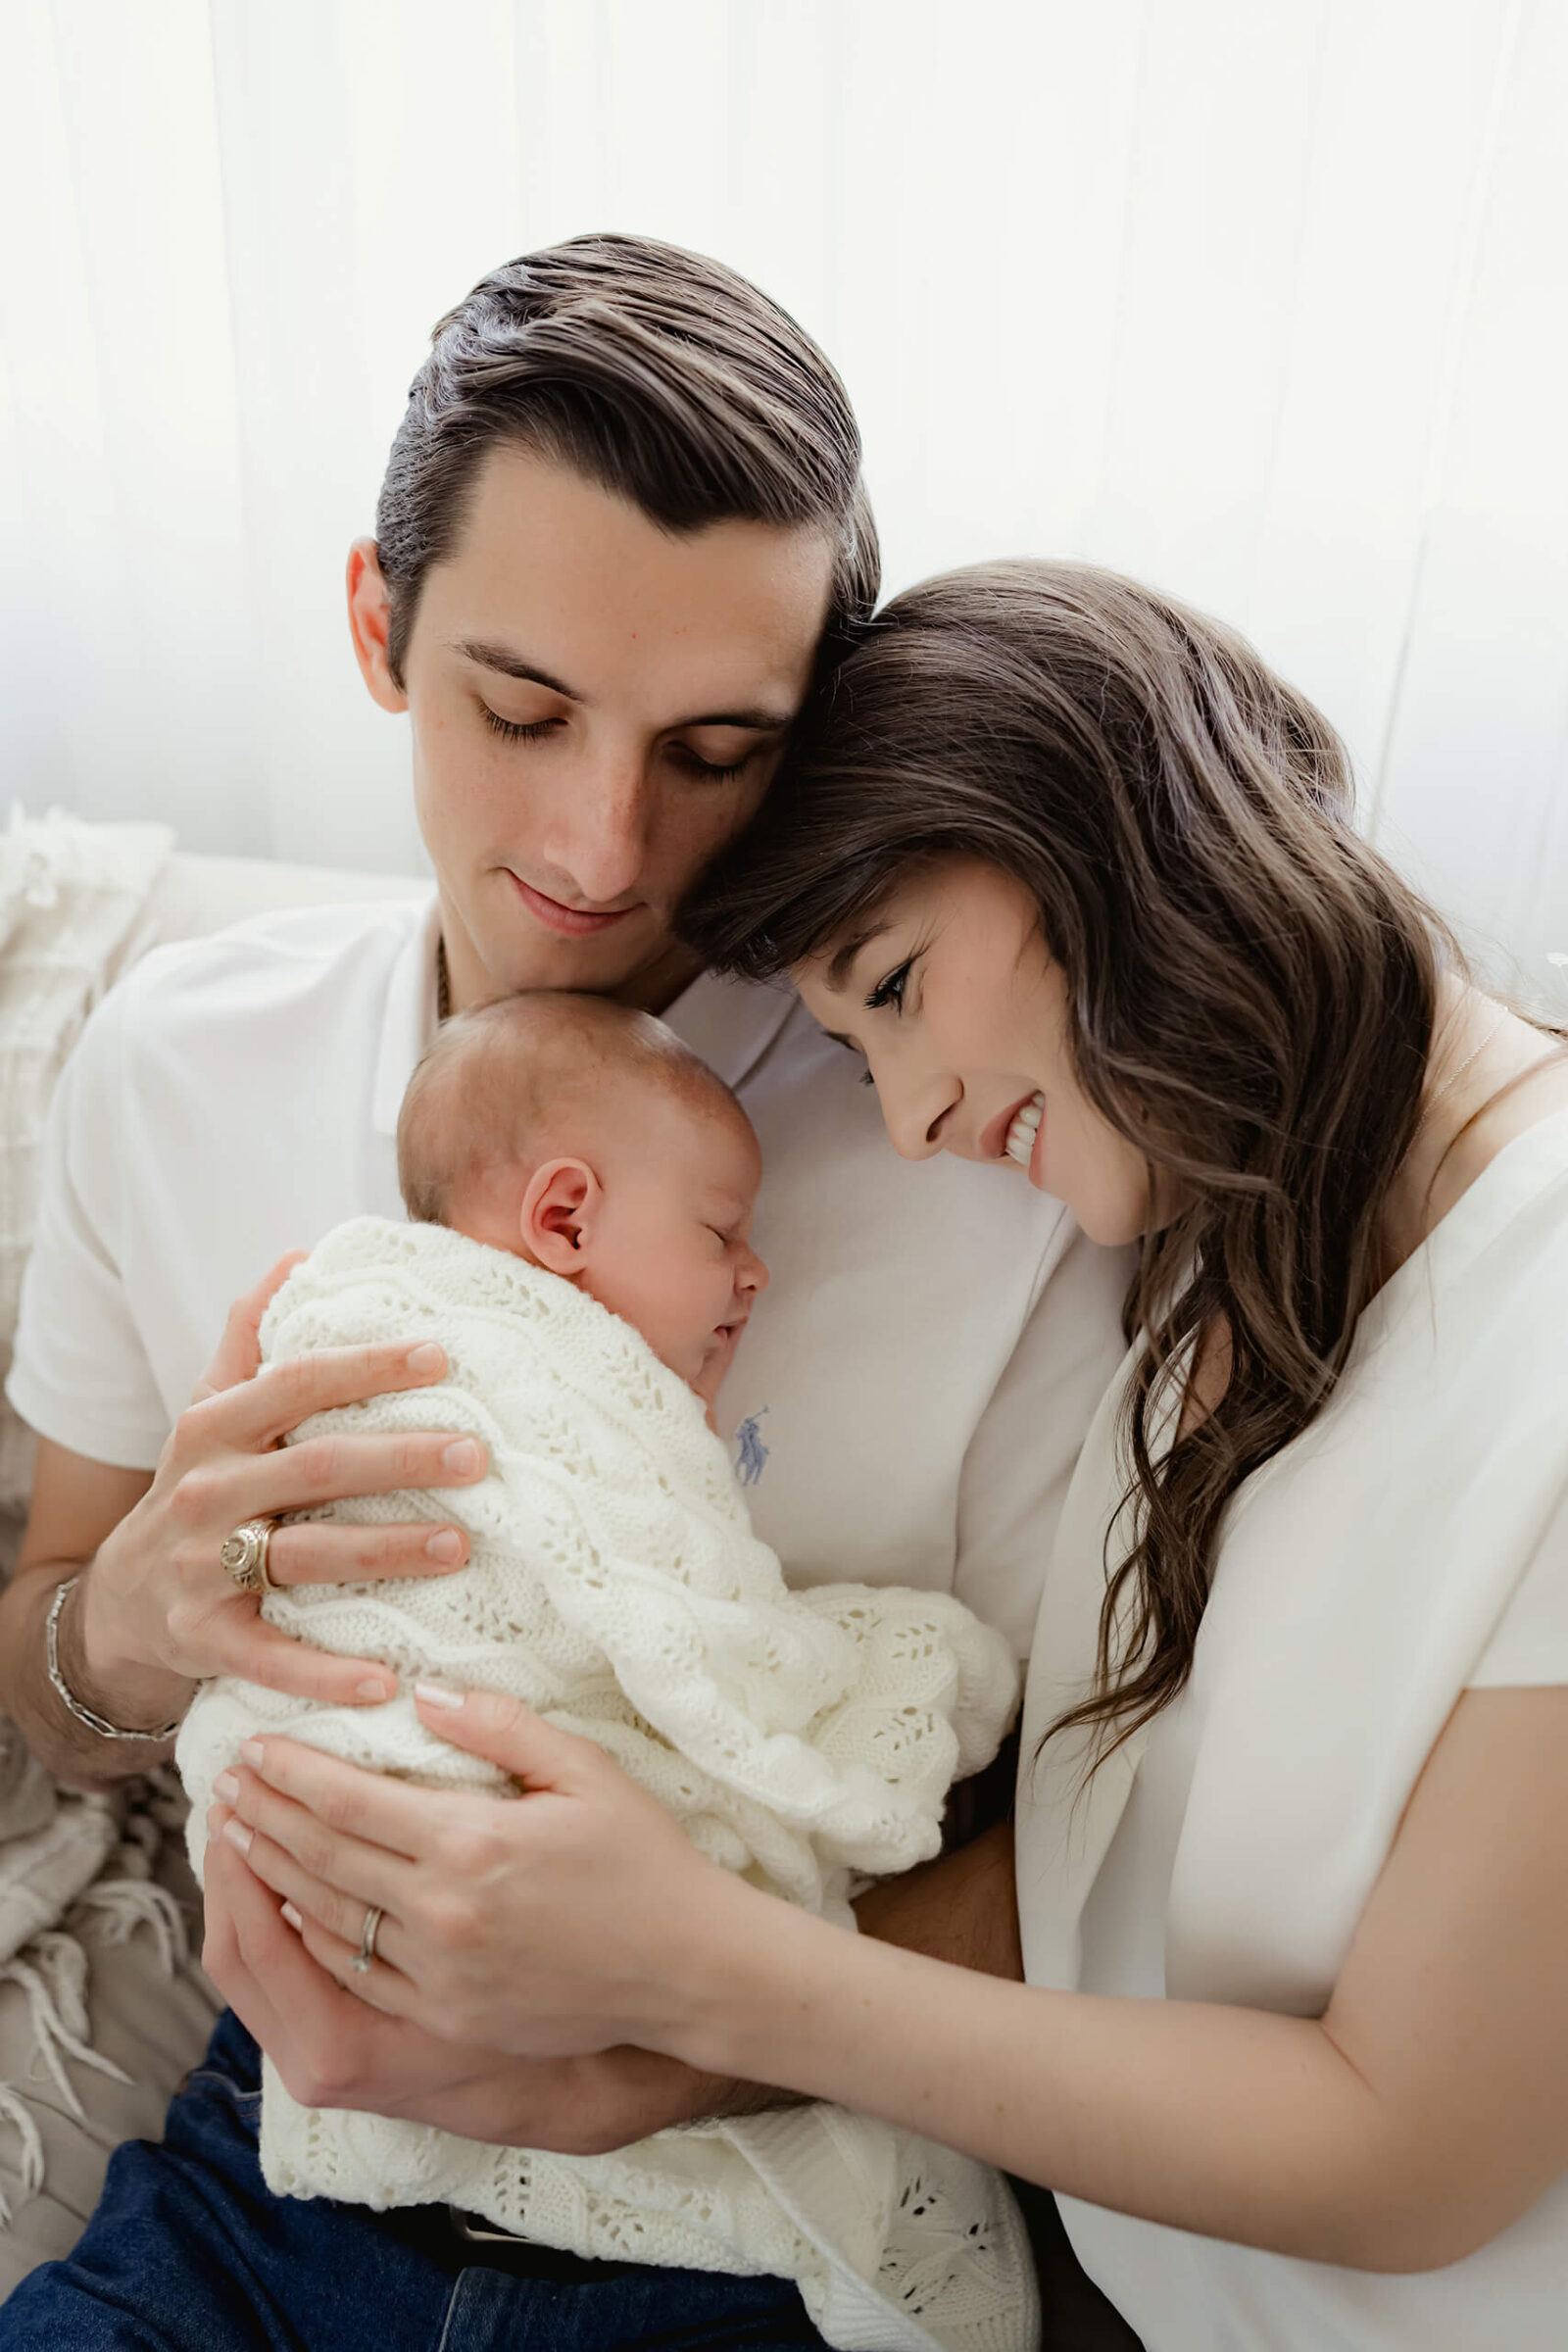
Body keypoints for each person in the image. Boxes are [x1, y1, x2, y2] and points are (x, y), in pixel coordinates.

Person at [152, 558, 1567, 2350]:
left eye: (895, 987)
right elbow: (1074, 1903)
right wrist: (635, 2060)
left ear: (1110, 824)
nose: (910, 1124)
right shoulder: (1218, 1234)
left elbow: (1411, 2157)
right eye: (848, 1042)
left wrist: (704, 1981)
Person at [0, 244, 1129, 2342]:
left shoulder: (970, 1147)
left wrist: (656, 2046)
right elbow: (46, 1684)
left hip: (747, 2190)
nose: (605, 847)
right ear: (375, 629)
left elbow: (1102, 1849)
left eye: (716, 750)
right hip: (265, 2173)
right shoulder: (175, 1063)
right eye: (521, 711)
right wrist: (128, 1625)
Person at [174, 992, 1030, 2350]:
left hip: (410, 2038)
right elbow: (715, 1656)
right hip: (285, 2054)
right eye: (722, 1235)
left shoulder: (363, 1311)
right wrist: (908, 1684)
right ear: (563, 1222)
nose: (758, 1277)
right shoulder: (517, 1375)